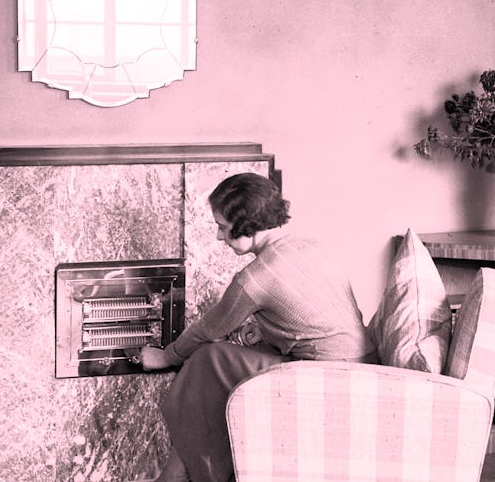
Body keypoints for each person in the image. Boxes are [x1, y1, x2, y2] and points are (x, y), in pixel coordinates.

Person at [140, 173, 377, 482]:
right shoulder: (314, 247)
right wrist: (267, 331)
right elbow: (328, 319)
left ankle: (189, 473)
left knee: (208, 360)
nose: (218, 238)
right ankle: (183, 470)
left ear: (246, 226)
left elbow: (207, 330)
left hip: (328, 378)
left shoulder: (254, 279)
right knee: (222, 366)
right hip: (365, 366)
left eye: (223, 228)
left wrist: (165, 356)